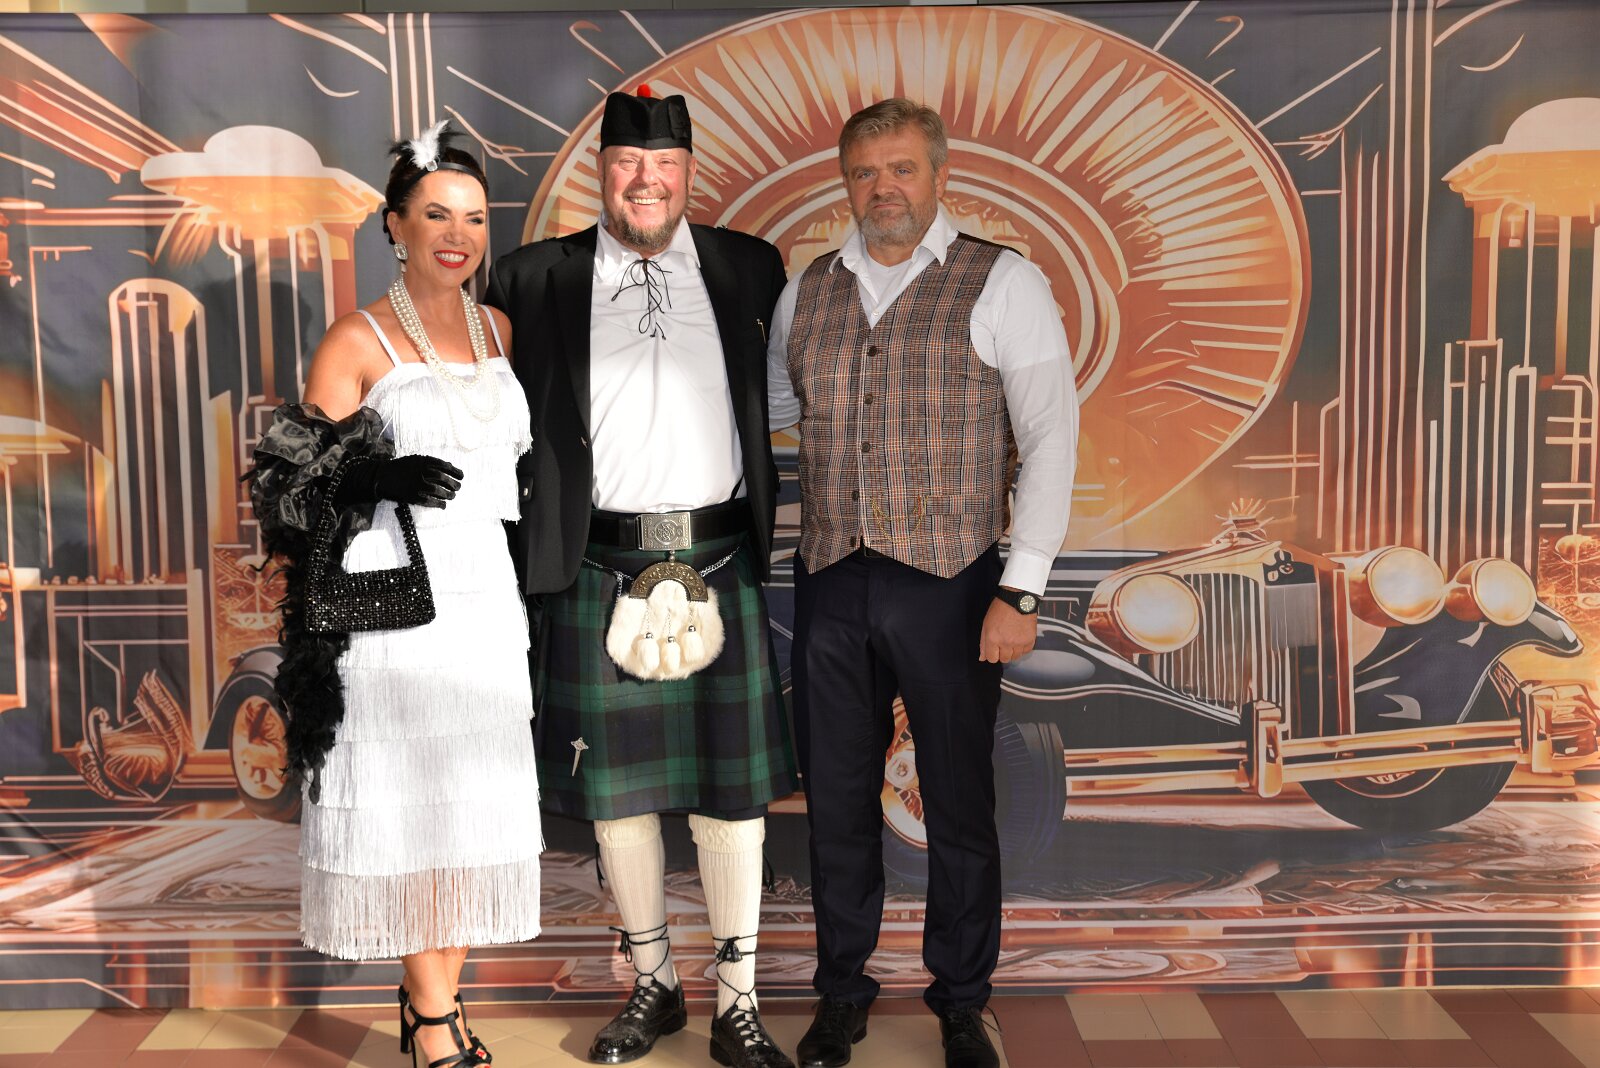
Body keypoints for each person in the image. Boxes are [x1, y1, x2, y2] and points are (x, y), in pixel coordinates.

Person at [483, 90, 797, 1068]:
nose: (645, 181)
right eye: (627, 163)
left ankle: (738, 1002)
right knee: (618, 799)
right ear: (602, 171)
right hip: (596, 564)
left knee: (730, 796)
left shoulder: (751, 267)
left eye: (663, 164)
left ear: (688, 172)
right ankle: (653, 985)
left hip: (720, 558)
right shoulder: (530, 278)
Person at [766, 98, 1079, 1068]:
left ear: (940, 174)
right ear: (845, 181)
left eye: (901, 168)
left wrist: (1020, 591)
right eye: (865, 172)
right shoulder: (807, 291)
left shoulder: (1003, 281)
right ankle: (841, 995)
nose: (883, 188)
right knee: (837, 801)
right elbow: (770, 407)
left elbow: (1050, 439)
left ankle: (962, 1000)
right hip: (830, 578)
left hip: (951, 584)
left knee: (957, 800)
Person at [250, 121, 541, 1068]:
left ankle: (433, 1006)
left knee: (467, 807)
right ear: (395, 224)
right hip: (394, 605)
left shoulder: (500, 331)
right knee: (412, 805)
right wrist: (373, 476)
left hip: (486, 599)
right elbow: (286, 488)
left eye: (475, 218)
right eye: (436, 215)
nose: (458, 235)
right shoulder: (356, 336)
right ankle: (433, 1020)